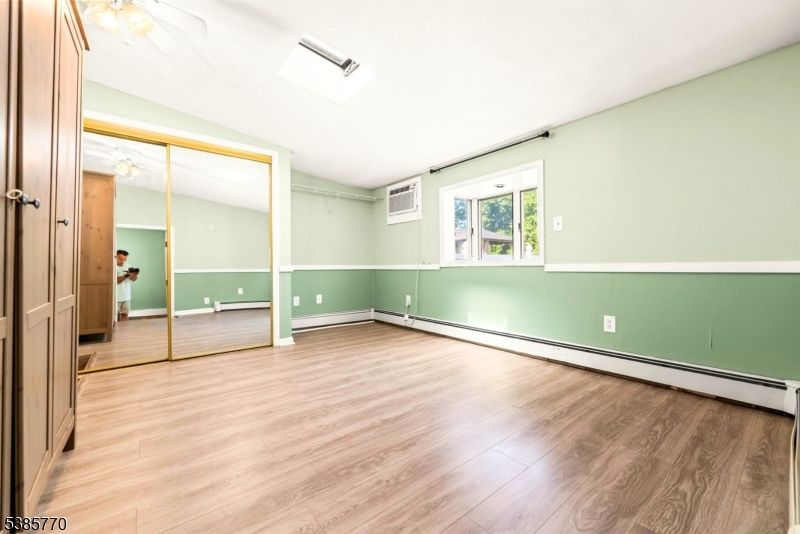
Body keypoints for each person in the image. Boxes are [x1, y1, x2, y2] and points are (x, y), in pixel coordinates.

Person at [115, 249, 138, 321]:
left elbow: (134, 279)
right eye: (120, 259)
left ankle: (124, 331)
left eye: (124, 260)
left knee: (125, 315)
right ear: (116, 257)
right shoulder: (112, 267)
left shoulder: (128, 266)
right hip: (116, 297)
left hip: (126, 296)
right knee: (114, 318)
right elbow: (115, 281)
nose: (122, 262)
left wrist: (134, 275)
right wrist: (126, 275)